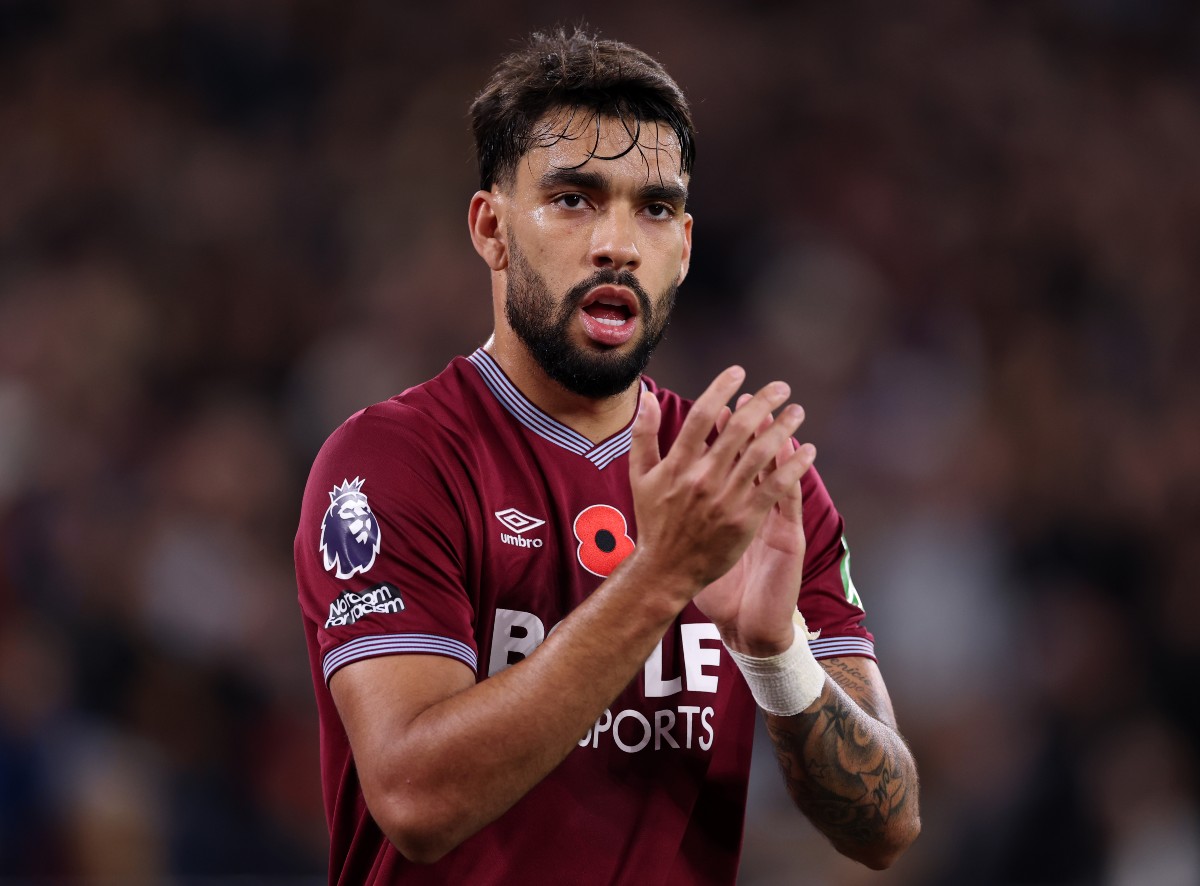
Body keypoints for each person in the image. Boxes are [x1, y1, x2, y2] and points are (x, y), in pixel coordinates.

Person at [295, 27, 921, 885]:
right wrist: (662, 577)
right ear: (491, 227)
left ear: (687, 245)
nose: (618, 242)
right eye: (574, 199)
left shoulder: (750, 486)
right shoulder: (393, 461)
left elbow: (886, 826)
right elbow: (414, 802)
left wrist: (778, 656)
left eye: (654, 207)